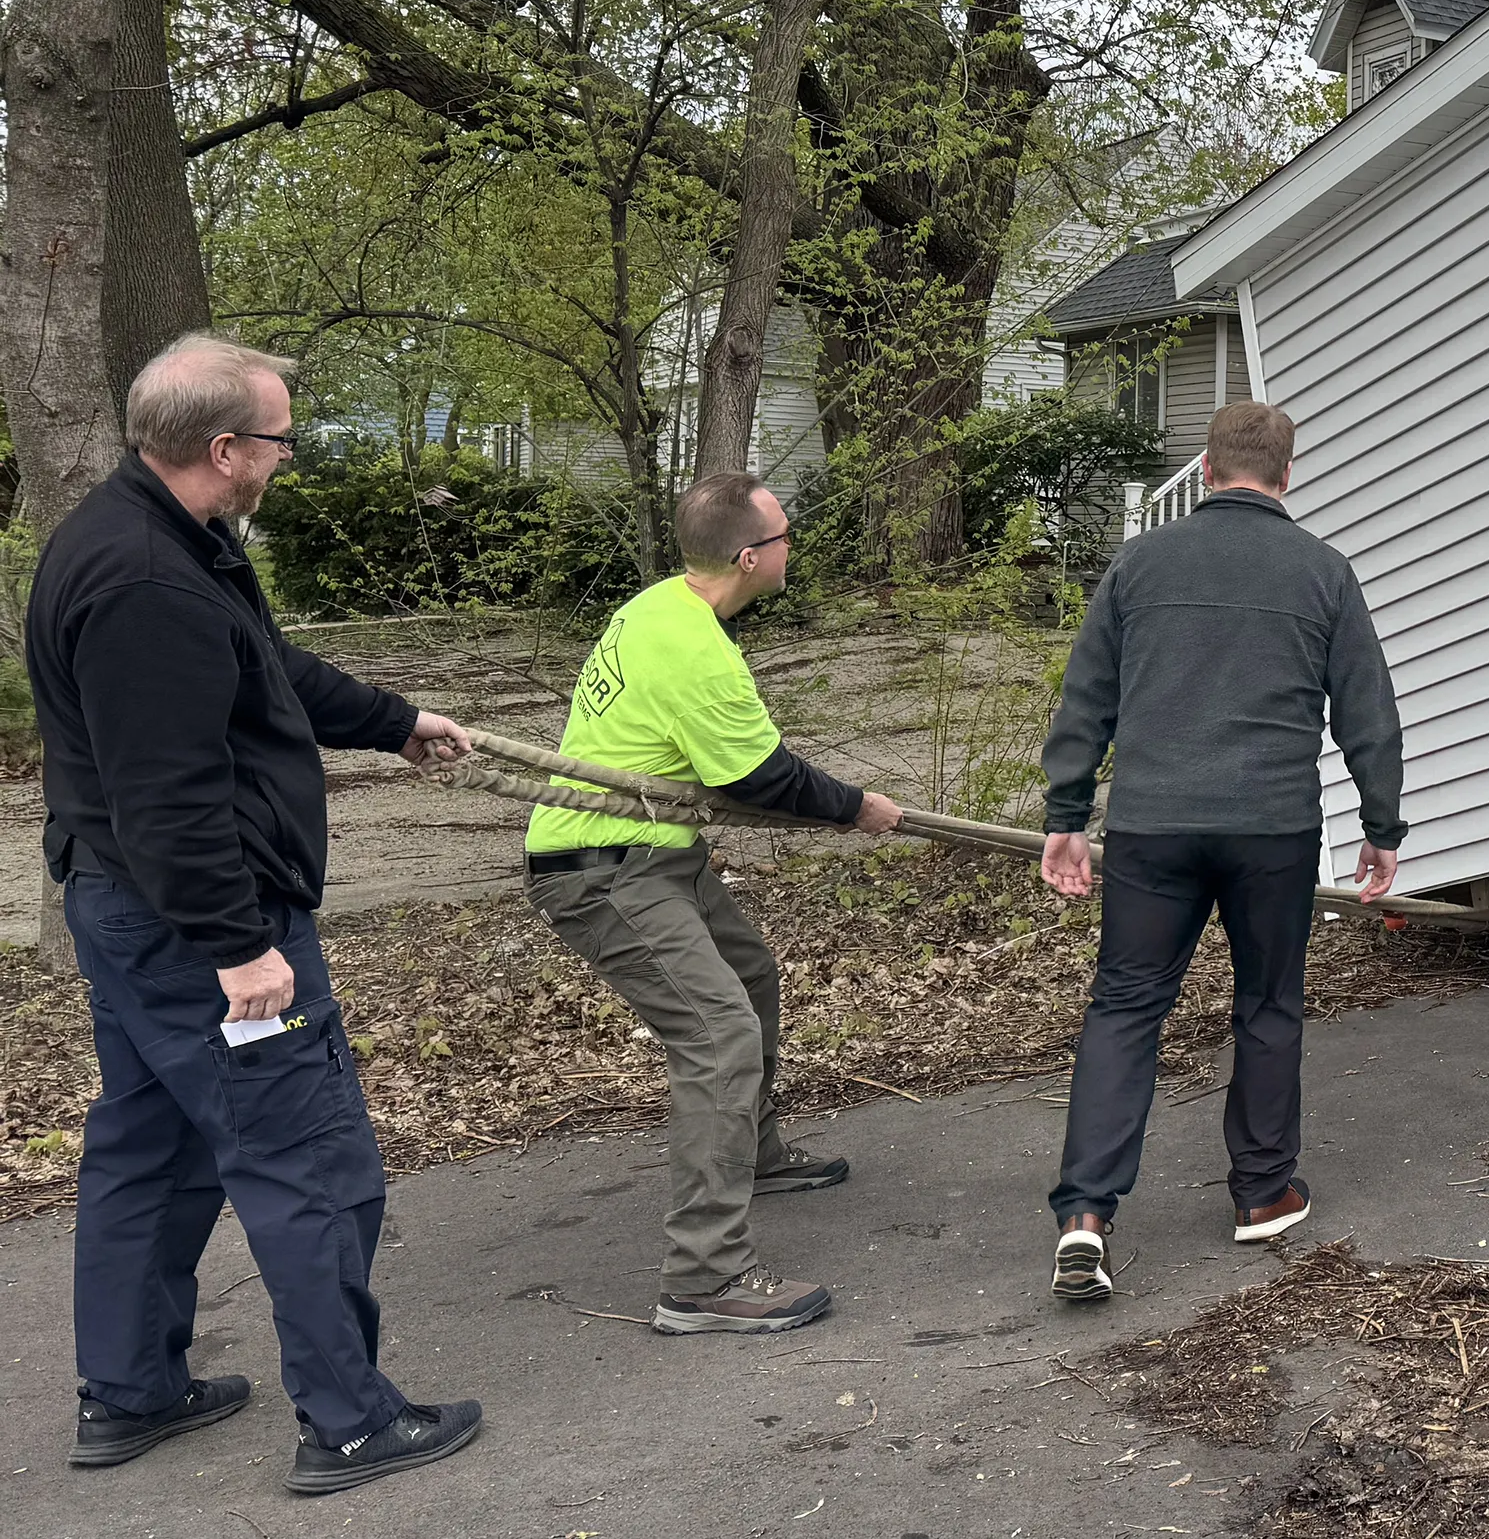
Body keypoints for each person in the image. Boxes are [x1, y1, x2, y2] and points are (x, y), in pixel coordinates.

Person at [25, 334, 484, 1495]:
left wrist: (395, 719)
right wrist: (241, 950)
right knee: (308, 1155)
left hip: (136, 918)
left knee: (153, 1144)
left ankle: (130, 1392)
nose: (288, 456)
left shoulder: (171, 540)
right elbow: (166, 795)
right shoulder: (142, 583)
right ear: (223, 448)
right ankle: (349, 1420)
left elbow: (264, 671)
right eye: (279, 438)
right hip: (198, 925)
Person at [1038, 400, 1404, 1301]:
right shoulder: (1323, 571)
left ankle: (1086, 1215)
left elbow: (1087, 696)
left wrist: (1066, 813)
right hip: (1270, 826)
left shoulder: (1138, 561)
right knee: (1267, 1004)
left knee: (1125, 1006)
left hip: (1155, 823)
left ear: (1205, 471)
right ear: (1287, 474)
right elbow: (1368, 710)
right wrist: (1381, 827)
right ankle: (1262, 1194)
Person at [524, 471, 903, 1335]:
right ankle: (703, 1278)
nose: (789, 549)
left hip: (657, 854)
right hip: (602, 872)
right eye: (782, 537)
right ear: (748, 556)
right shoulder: (692, 649)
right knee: (719, 1037)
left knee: (749, 974)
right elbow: (759, 777)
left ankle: (756, 1152)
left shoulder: (664, 603)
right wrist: (857, 808)